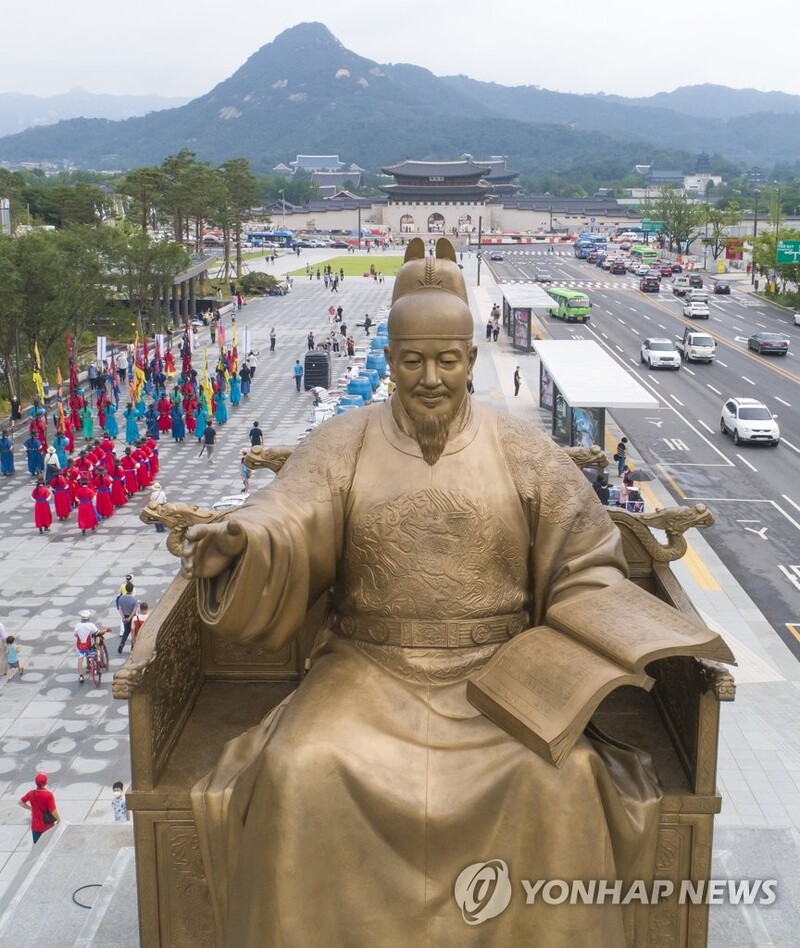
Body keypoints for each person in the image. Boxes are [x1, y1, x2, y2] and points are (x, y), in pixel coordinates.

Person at [183, 239, 661, 946]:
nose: (431, 378)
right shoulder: (343, 443)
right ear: (390, 361)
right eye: (413, 360)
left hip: (498, 679)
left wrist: (602, 627)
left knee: (561, 780)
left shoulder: (524, 451)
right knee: (296, 768)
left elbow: (586, 560)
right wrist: (244, 538)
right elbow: (289, 513)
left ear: (471, 358)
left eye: (447, 360)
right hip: (367, 669)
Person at [19, 774, 60, 843]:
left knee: (36, 846)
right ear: (46, 783)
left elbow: (20, 802)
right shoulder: (48, 795)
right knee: (47, 845)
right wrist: (58, 819)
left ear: (36, 782)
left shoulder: (31, 793)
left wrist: (30, 808)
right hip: (47, 826)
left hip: (35, 826)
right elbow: (53, 811)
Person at [75, 609, 98, 683]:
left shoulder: (77, 625)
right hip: (88, 645)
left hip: (79, 646)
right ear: (89, 618)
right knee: (90, 656)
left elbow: (75, 634)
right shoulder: (91, 625)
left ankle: (81, 676)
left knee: (80, 660)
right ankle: (91, 668)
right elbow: (97, 632)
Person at [117, 582, 140, 653]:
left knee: (126, 631)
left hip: (125, 616)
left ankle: (121, 644)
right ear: (132, 589)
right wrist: (130, 618)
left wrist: (123, 617)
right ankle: (133, 646)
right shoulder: (134, 599)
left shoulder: (121, 598)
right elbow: (134, 611)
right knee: (134, 632)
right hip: (132, 617)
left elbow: (120, 608)